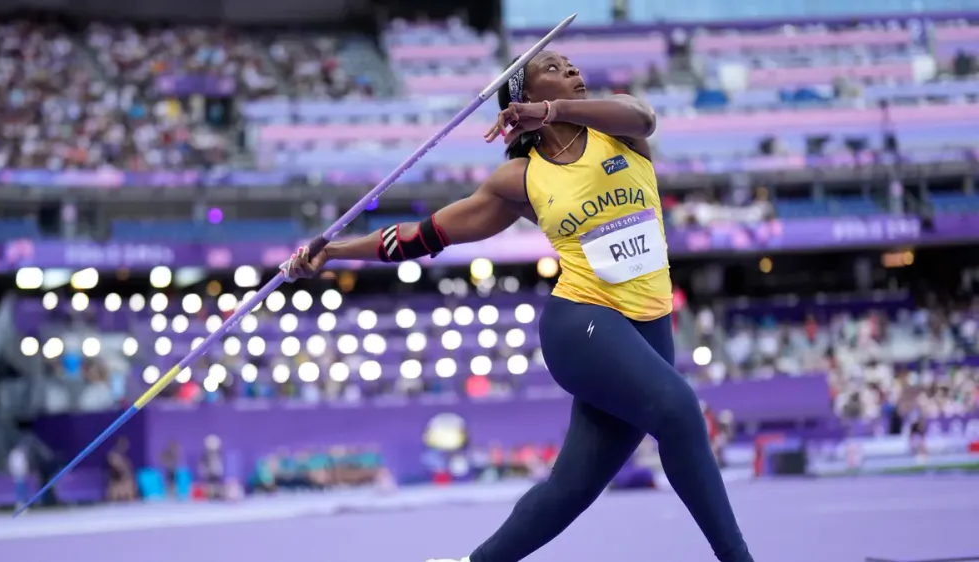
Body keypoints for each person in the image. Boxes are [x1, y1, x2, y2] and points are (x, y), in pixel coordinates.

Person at [283, 51, 753, 562]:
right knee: (680, 410)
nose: (572, 71)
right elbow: (424, 236)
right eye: (552, 69)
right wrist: (332, 254)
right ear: (522, 100)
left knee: (573, 488)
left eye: (572, 64)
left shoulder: (619, 132)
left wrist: (553, 112)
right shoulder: (520, 180)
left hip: (649, 325)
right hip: (583, 324)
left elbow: (643, 116)